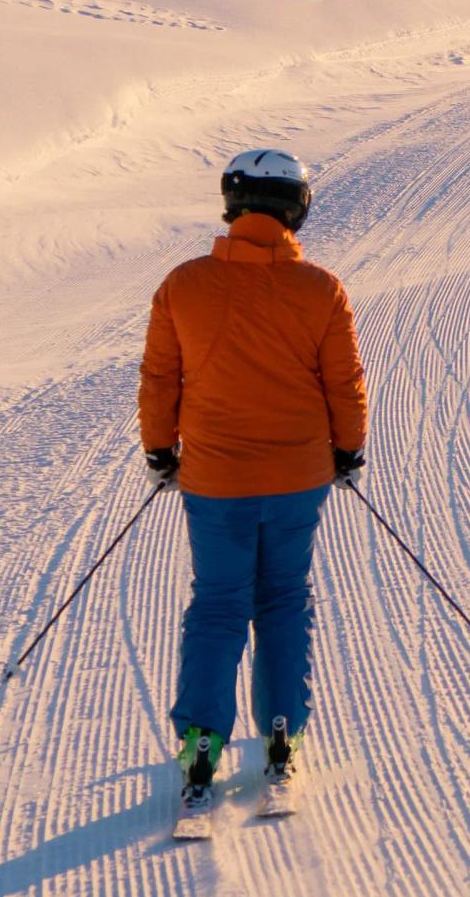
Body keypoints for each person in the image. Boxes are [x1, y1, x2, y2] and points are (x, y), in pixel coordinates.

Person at [140, 147, 366, 808]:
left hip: (215, 479)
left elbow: (160, 379)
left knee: (218, 603)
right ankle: (280, 738)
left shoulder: (183, 284)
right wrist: (348, 450)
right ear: (296, 208)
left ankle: (202, 746)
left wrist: (161, 450)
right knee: (283, 598)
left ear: (233, 205)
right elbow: (344, 383)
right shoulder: (321, 288)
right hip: (299, 475)